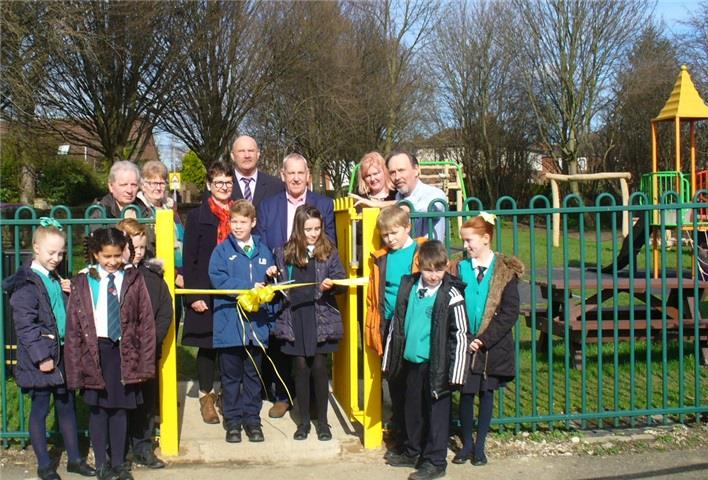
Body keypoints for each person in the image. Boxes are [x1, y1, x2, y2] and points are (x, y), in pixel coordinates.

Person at [3, 219, 96, 480]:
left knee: (67, 405)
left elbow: (61, 314)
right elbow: (25, 326)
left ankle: (75, 459)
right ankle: (44, 464)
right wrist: (42, 357)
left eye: (61, 253)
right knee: (41, 408)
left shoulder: (55, 278)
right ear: (35, 248)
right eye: (51, 253)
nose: (56, 258)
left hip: (63, 353)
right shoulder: (27, 283)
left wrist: (70, 292)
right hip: (42, 358)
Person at [65, 227, 156, 480]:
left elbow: (145, 320)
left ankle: (119, 462)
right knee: (99, 410)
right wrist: (74, 366)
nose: (113, 262)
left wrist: (145, 360)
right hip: (96, 352)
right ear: (96, 254)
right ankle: (102, 463)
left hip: (124, 352)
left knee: (120, 410)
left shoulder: (132, 278)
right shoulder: (84, 280)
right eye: (107, 257)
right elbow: (74, 325)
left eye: (117, 256)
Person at [255, 153, 336, 418]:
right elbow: (263, 242)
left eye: (301, 173)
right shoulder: (268, 206)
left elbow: (329, 241)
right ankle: (283, 396)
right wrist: (272, 270)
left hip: (313, 284)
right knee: (282, 342)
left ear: (308, 176)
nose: (296, 178)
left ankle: (313, 400)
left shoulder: (323, 204)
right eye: (291, 173)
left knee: (314, 350)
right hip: (281, 280)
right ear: (283, 176)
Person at [383, 240, 469, 480]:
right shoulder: (408, 286)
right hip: (411, 361)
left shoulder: (451, 294)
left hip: (437, 365)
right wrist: (390, 359)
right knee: (413, 410)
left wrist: (457, 372)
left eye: (439, 271)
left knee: (436, 415)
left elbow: (461, 334)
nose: (433, 276)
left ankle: (435, 460)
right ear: (419, 266)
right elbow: (397, 323)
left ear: (446, 267)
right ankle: (412, 450)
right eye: (429, 270)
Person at [449, 214, 523, 467]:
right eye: (463, 241)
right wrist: (466, 336)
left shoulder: (504, 271)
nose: (465, 246)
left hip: (491, 347)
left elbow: (509, 312)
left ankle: (480, 446)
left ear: (485, 239)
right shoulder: (458, 267)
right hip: (465, 342)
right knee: (466, 395)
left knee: (485, 394)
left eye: (469, 241)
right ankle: (466, 445)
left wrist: (483, 340)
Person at [271, 205, 346, 441]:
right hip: (295, 318)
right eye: (308, 229)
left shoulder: (329, 251)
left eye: (316, 228)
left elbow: (342, 280)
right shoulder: (284, 253)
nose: (313, 233)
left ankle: (322, 422)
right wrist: (272, 275)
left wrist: (331, 284)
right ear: (298, 229)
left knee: (320, 369)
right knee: (300, 370)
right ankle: (303, 422)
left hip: (319, 317)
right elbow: (278, 286)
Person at [208, 200, 275, 444]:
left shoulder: (264, 251)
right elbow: (218, 280)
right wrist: (247, 287)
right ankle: (233, 422)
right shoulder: (222, 252)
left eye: (243, 222)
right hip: (230, 326)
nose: (237, 226)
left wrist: (270, 280)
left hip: (255, 327)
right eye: (233, 221)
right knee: (231, 377)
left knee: (253, 377)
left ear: (253, 223)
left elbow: (271, 287)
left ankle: (252, 421)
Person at [364, 206, 426, 456]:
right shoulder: (381, 257)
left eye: (394, 233)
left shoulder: (420, 253)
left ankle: (418, 439)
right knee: (396, 383)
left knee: (415, 385)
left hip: (413, 325)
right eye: (385, 234)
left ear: (407, 228)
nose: (389, 239)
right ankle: (401, 435)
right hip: (389, 326)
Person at [116, 219, 172, 469]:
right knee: (122, 402)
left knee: (145, 402)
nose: (137, 253)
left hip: (147, 351)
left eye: (141, 247)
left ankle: (143, 446)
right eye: (132, 248)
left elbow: (165, 311)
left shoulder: (152, 276)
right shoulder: (113, 277)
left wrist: (151, 340)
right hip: (119, 352)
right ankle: (121, 449)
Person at [182, 161, 234, 424]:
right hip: (205, 288)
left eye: (227, 182)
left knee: (230, 345)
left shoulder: (240, 213)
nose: (224, 187)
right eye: (219, 183)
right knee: (207, 345)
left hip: (232, 289)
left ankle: (228, 394)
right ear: (209, 186)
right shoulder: (197, 216)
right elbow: (189, 258)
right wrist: (194, 296)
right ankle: (206, 396)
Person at [137, 160, 185, 288]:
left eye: (161, 183)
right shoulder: (138, 211)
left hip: (179, 273)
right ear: (143, 185)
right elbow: (143, 249)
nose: (158, 188)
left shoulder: (170, 208)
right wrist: (174, 274)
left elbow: (181, 240)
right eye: (153, 183)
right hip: (154, 276)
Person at [387, 151, 447, 241]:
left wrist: (375, 204)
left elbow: (411, 207)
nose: (397, 177)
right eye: (392, 173)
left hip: (430, 254)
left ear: (416, 170)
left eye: (401, 170)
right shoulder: (398, 196)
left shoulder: (435, 194)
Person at [229, 135, 284, 208]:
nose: (247, 155)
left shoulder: (276, 186)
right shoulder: (222, 186)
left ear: (258, 154)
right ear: (232, 156)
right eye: (241, 151)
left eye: (251, 151)